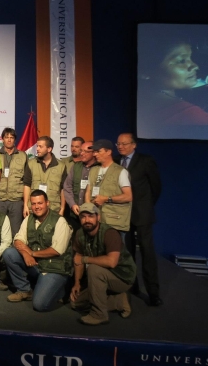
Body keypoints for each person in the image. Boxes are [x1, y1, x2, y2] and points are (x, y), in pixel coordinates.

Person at [3, 190, 73, 312]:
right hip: (36, 263)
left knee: (39, 305)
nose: (36, 207)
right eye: (34, 204)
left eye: (40, 203)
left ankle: (60, 289)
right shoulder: (28, 219)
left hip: (54, 267)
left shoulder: (59, 221)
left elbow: (57, 250)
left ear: (47, 203)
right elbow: (18, 240)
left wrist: (32, 253)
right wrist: (26, 254)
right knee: (9, 253)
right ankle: (25, 290)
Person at [116, 133, 163, 306]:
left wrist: (146, 206)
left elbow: (156, 187)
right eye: (118, 144)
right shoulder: (116, 161)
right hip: (124, 215)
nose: (121, 146)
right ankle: (132, 286)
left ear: (134, 145)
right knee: (127, 253)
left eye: (124, 143)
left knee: (147, 253)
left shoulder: (146, 161)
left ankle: (153, 293)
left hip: (142, 214)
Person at [70, 203, 136, 325]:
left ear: (98, 217)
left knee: (93, 269)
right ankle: (120, 300)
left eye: (91, 216)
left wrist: (85, 259)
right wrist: (77, 283)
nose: (87, 220)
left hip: (122, 277)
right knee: (76, 303)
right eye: (83, 217)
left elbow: (111, 262)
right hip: (101, 276)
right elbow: (78, 259)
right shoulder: (80, 234)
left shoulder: (109, 233)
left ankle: (99, 314)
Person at [138, 31, 208, 128]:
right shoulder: (192, 117)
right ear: (145, 71)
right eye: (181, 61)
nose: (195, 66)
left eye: (190, 58)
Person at [85, 139, 132, 239]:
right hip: (97, 222)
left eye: (98, 151)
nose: (95, 154)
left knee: (115, 248)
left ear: (108, 152)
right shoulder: (93, 170)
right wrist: (89, 211)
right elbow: (88, 191)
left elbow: (128, 196)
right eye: (94, 151)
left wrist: (106, 199)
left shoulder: (120, 172)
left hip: (114, 221)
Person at [24, 136, 67, 216]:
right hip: (34, 210)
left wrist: (62, 208)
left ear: (49, 149)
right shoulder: (31, 164)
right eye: (37, 146)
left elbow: (63, 189)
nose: (37, 149)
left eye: (40, 147)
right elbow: (27, 185)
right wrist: (25, 205)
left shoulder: (61, 166)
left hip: (53, 209)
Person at [0, 127, 28, 236]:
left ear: (15, 139)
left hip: (16, 200)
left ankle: (14, 248)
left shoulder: (22, 155)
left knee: (15, 231)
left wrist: (25, 202)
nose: (9, 140)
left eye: (12, 137)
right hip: (0, 198)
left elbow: (26, 179)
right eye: (7, 137)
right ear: (2, 139)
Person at [63, 141, 97, 230]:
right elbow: (67, 187)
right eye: (81, 150)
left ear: (94, 153)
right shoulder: (76, 167)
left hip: (93, 215)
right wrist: (72, 204)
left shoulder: (99, 168)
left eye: (86, 151)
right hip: (75, 214)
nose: (81, 153)